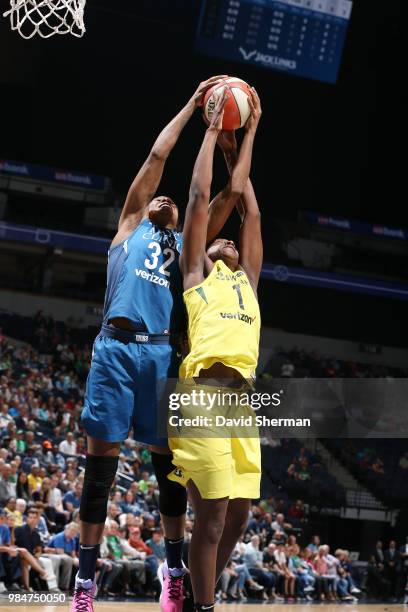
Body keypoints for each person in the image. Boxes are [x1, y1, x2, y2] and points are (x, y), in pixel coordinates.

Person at [71, 75, 237, 612]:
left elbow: (222, 196)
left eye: (168, 197)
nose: (162, 196)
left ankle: (172, 574)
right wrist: (193, 105)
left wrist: (230, 134)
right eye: (154, 196)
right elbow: (157, 156)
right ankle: (84, 587)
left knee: (167, 470)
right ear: (141, 208)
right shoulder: (128, 227)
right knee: (101, 471)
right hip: (117, 350)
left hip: (163, 354)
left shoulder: (188, 244)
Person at [167, 87, 262, 612]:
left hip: (243, 406)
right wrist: (210, 130)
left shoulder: (248, 280)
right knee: (216, 514)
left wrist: (245, 138)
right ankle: (202, 607)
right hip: (201, 396)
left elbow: (250, 208)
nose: (225, 241)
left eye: (231, 241)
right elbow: (203, 199)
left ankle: (191, 589)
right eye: (214, 241)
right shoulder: (195, 276)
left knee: (240, 516)